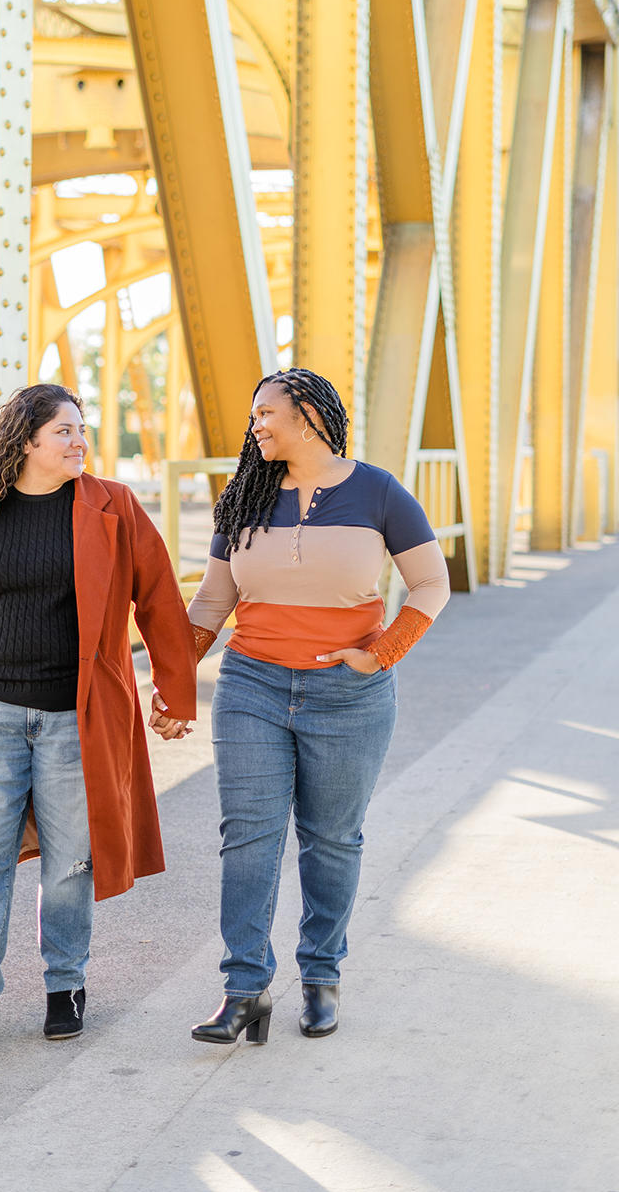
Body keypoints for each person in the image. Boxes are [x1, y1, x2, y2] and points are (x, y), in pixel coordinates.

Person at [0, 383, 195, 1048]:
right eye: (65, 430)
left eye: (81, 428)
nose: (80, 441)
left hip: (76, 716)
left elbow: (157, 599)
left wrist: (175, 694)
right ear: (27, 441)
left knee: (71, 860)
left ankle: (65, 985)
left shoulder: (112, 506)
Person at [187, 368, 450, 1045]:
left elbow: (429, 583)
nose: (255, 426)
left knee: (331, 840)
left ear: (307, 413)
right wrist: (171, 674)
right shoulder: (244, 495)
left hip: (349, 695)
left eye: (266, 413)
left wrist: (381, 653)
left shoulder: (377, 491)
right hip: (251, 686)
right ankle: (244, 989)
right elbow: (213, 604)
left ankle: (321, 976)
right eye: (253, 416)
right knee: (247, 836)